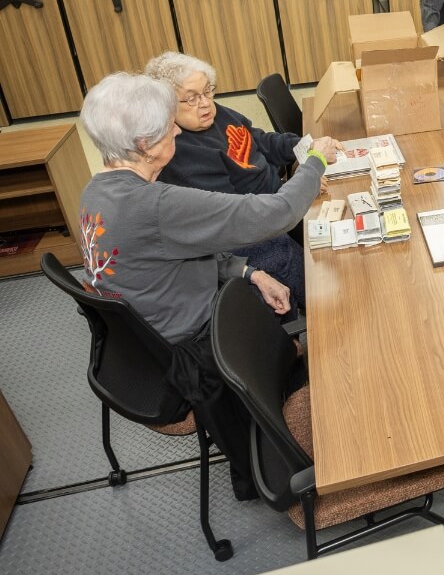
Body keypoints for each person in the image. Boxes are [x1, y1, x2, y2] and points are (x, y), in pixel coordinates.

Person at [76, 72, 339, 500]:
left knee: (275, 281)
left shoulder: (95, 191)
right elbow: (277, 213)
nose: (177, 129)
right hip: (195, 351)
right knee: (327, 336)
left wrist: (247, 272)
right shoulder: (158, 203)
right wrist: (316, 162)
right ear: (145, 144)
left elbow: (166, 251)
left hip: (145, 346)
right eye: (168, 125)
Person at [145, 52, 308, 318]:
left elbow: (259, 141)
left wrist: (302, 147)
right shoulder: (180, 153)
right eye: (191, 98)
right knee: (296, 253)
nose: (205, 103)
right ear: (166, 106)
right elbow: (237, 214)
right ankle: (328, 317)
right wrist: (296, 190)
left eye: (207, 91)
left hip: (276, 200)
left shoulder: (216, 115)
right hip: (250, 226)